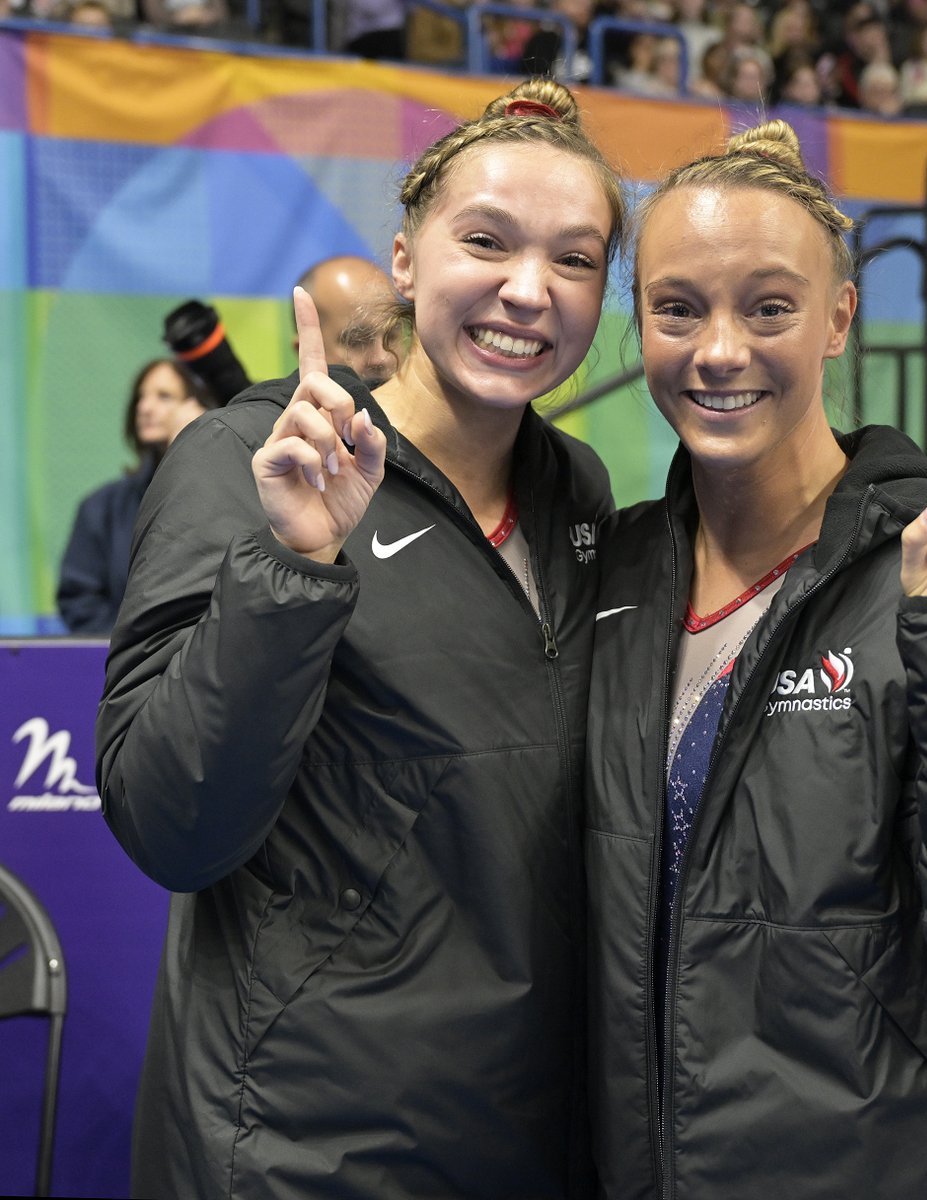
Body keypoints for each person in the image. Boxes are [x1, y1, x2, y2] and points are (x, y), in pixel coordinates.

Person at [96, 78, 625, 1199]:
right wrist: (295, 564)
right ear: (404, 260)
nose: (528, 291)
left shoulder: (574, 488)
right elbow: (170, 822)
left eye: (575, 260)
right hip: (306, 1143)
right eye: (485, 240)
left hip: (526, 1128)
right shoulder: (251, 462)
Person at [584, 119, 927, 1197]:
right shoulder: (615, 575)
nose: (718, 349)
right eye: (678, 308)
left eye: (768, 306)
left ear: (838, 318)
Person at [57, 358, 214, 634]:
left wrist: (198, 442)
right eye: (141, 398)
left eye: (164, 396)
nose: (145, 407)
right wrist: (129, 652)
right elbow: (79, 601)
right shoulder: (101, 508)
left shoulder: (223, 498)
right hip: (123, 668)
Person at [294, 254, 402, 388]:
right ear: (303, 350)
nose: (382, 358)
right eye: (358, 341)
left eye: (391, 337)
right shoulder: (273, 406)